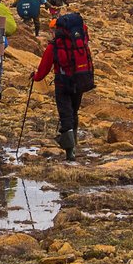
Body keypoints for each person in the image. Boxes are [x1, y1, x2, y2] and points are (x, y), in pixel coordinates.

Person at [31, 12, 95, 161]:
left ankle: (70, 151)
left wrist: (35, 77)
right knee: (74, 112)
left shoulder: (55, 46)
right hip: (80, 80)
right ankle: (74, 142)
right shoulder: (81, 41)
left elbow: (44, 69)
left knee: (65, 114)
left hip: (63, 83)